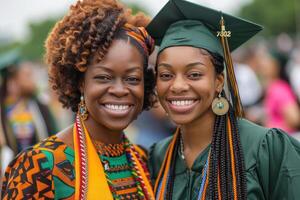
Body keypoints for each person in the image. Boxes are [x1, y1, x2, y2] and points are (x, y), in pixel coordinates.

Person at [1, 0, 156, 199]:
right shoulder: (41, 165)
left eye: (132, 79)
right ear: (80, 81)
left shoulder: (143, 161)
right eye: (104, 77)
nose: (120, 90)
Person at [146, 0, 300, 199]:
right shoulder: (158, 156)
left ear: (219, 81)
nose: (177, 86)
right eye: (166, 75)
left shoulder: (266, 148)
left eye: (194, 74)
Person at [0, 50, 57, 166]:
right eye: (27, 75)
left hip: (41, 169)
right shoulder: (3, 111)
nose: (33, 79)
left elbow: (55, 137)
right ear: (12, 82)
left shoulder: (40, 106)